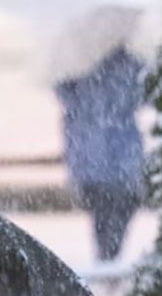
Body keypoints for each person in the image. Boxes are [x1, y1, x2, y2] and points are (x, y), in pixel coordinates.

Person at [54, 27, 146, 262]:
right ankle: (110, 259)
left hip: (91, 159)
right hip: (122, 158)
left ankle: (107, 258)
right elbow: (145, 95)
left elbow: (63, 94)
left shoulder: (78, 66)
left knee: (103, 215)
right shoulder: (131, 65)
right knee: (115, 212)